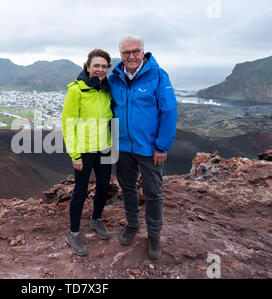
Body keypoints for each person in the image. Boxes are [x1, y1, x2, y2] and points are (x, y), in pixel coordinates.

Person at [108, 35, 178, 260]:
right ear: (120, 55)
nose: (131, 56)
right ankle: (132, 224)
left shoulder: (157, 75)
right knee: (127, 187)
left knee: (153, 192)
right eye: (126, 52)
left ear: (143, 52)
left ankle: (154, 234)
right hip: (124, 146)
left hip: (150, 148)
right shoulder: (115, 78)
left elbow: (169, 111)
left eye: (135, 51)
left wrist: (162, 146)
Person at [61, 49, 113, 256]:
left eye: (104, 66)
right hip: (84, 150)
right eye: (96, 65)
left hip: (105, 148)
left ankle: (96, 219)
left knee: (103, 186)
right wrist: (75, 155)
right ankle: (73, 233)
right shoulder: (77, 90)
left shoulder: (107, 89)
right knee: (80, 192)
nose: (100, 69)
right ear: (88, 66)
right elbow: (68, 124)